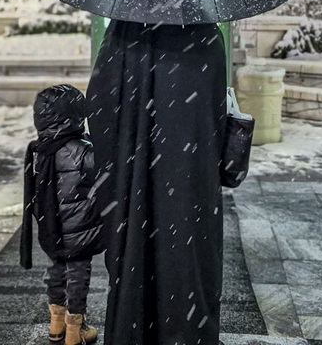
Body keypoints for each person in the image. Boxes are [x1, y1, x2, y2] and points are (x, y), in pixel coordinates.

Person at [87, 20, 227, 345]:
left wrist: (124, 156)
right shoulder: (206, 34)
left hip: (132, 182)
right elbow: (215, 112)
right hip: (190, 177)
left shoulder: (122, 32)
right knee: (187, 262)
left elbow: (99, 106)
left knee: (134, 258)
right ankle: (185, 333)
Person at [20, 85, 102, 345]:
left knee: (57, 269)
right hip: (80, 227)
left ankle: (56, 323)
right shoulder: (81, 150)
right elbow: (101, 175)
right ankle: (75, 329)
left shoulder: (39, 149)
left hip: (52, 227)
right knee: (78, 272)